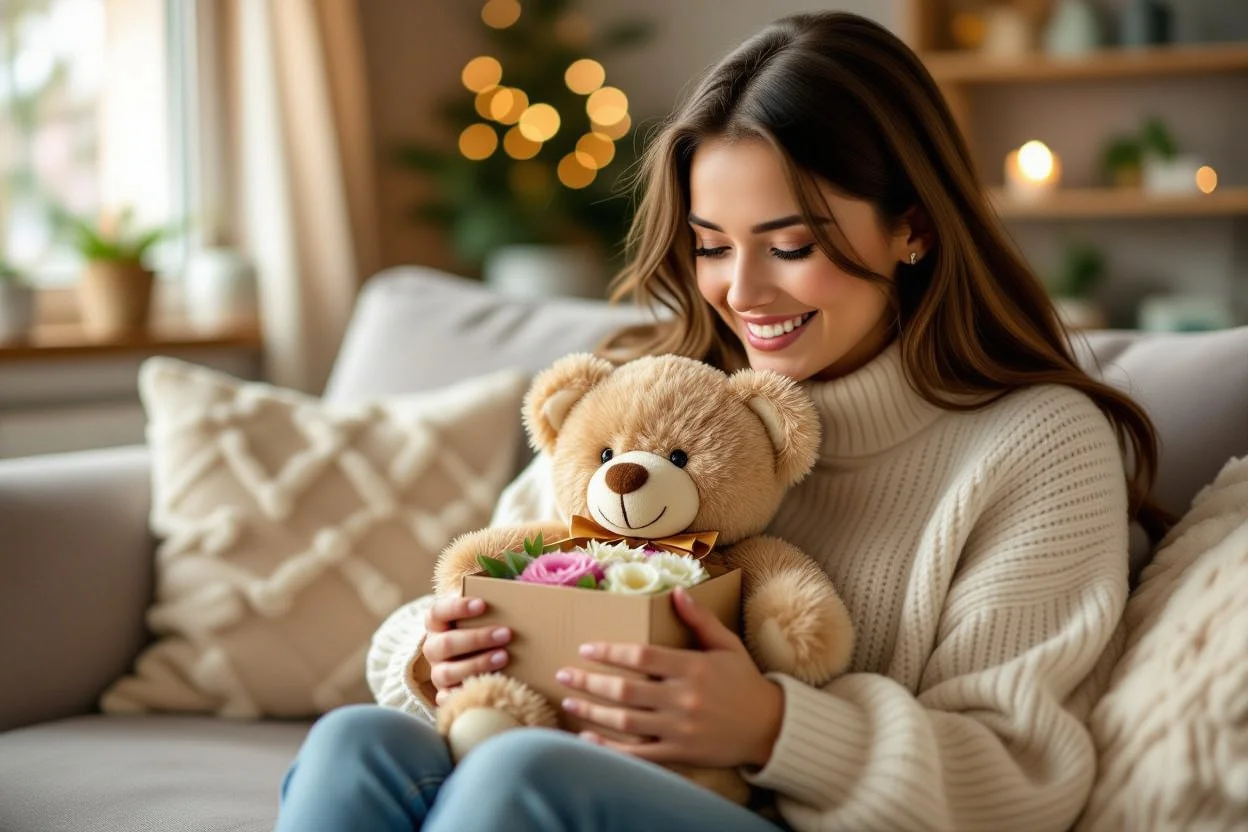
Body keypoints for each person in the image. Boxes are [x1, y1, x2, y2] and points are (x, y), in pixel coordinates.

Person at [275, 11, 1170, 832]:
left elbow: (1021, 774)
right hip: (572, 767)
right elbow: (472, 584)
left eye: (791, 246)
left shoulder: (1038, 442)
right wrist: (438, 654)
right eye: (710, 246)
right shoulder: (663, 398)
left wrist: (773, 725)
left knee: (518, 783)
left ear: (915, 229)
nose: (742, 293)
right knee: (358, 745)